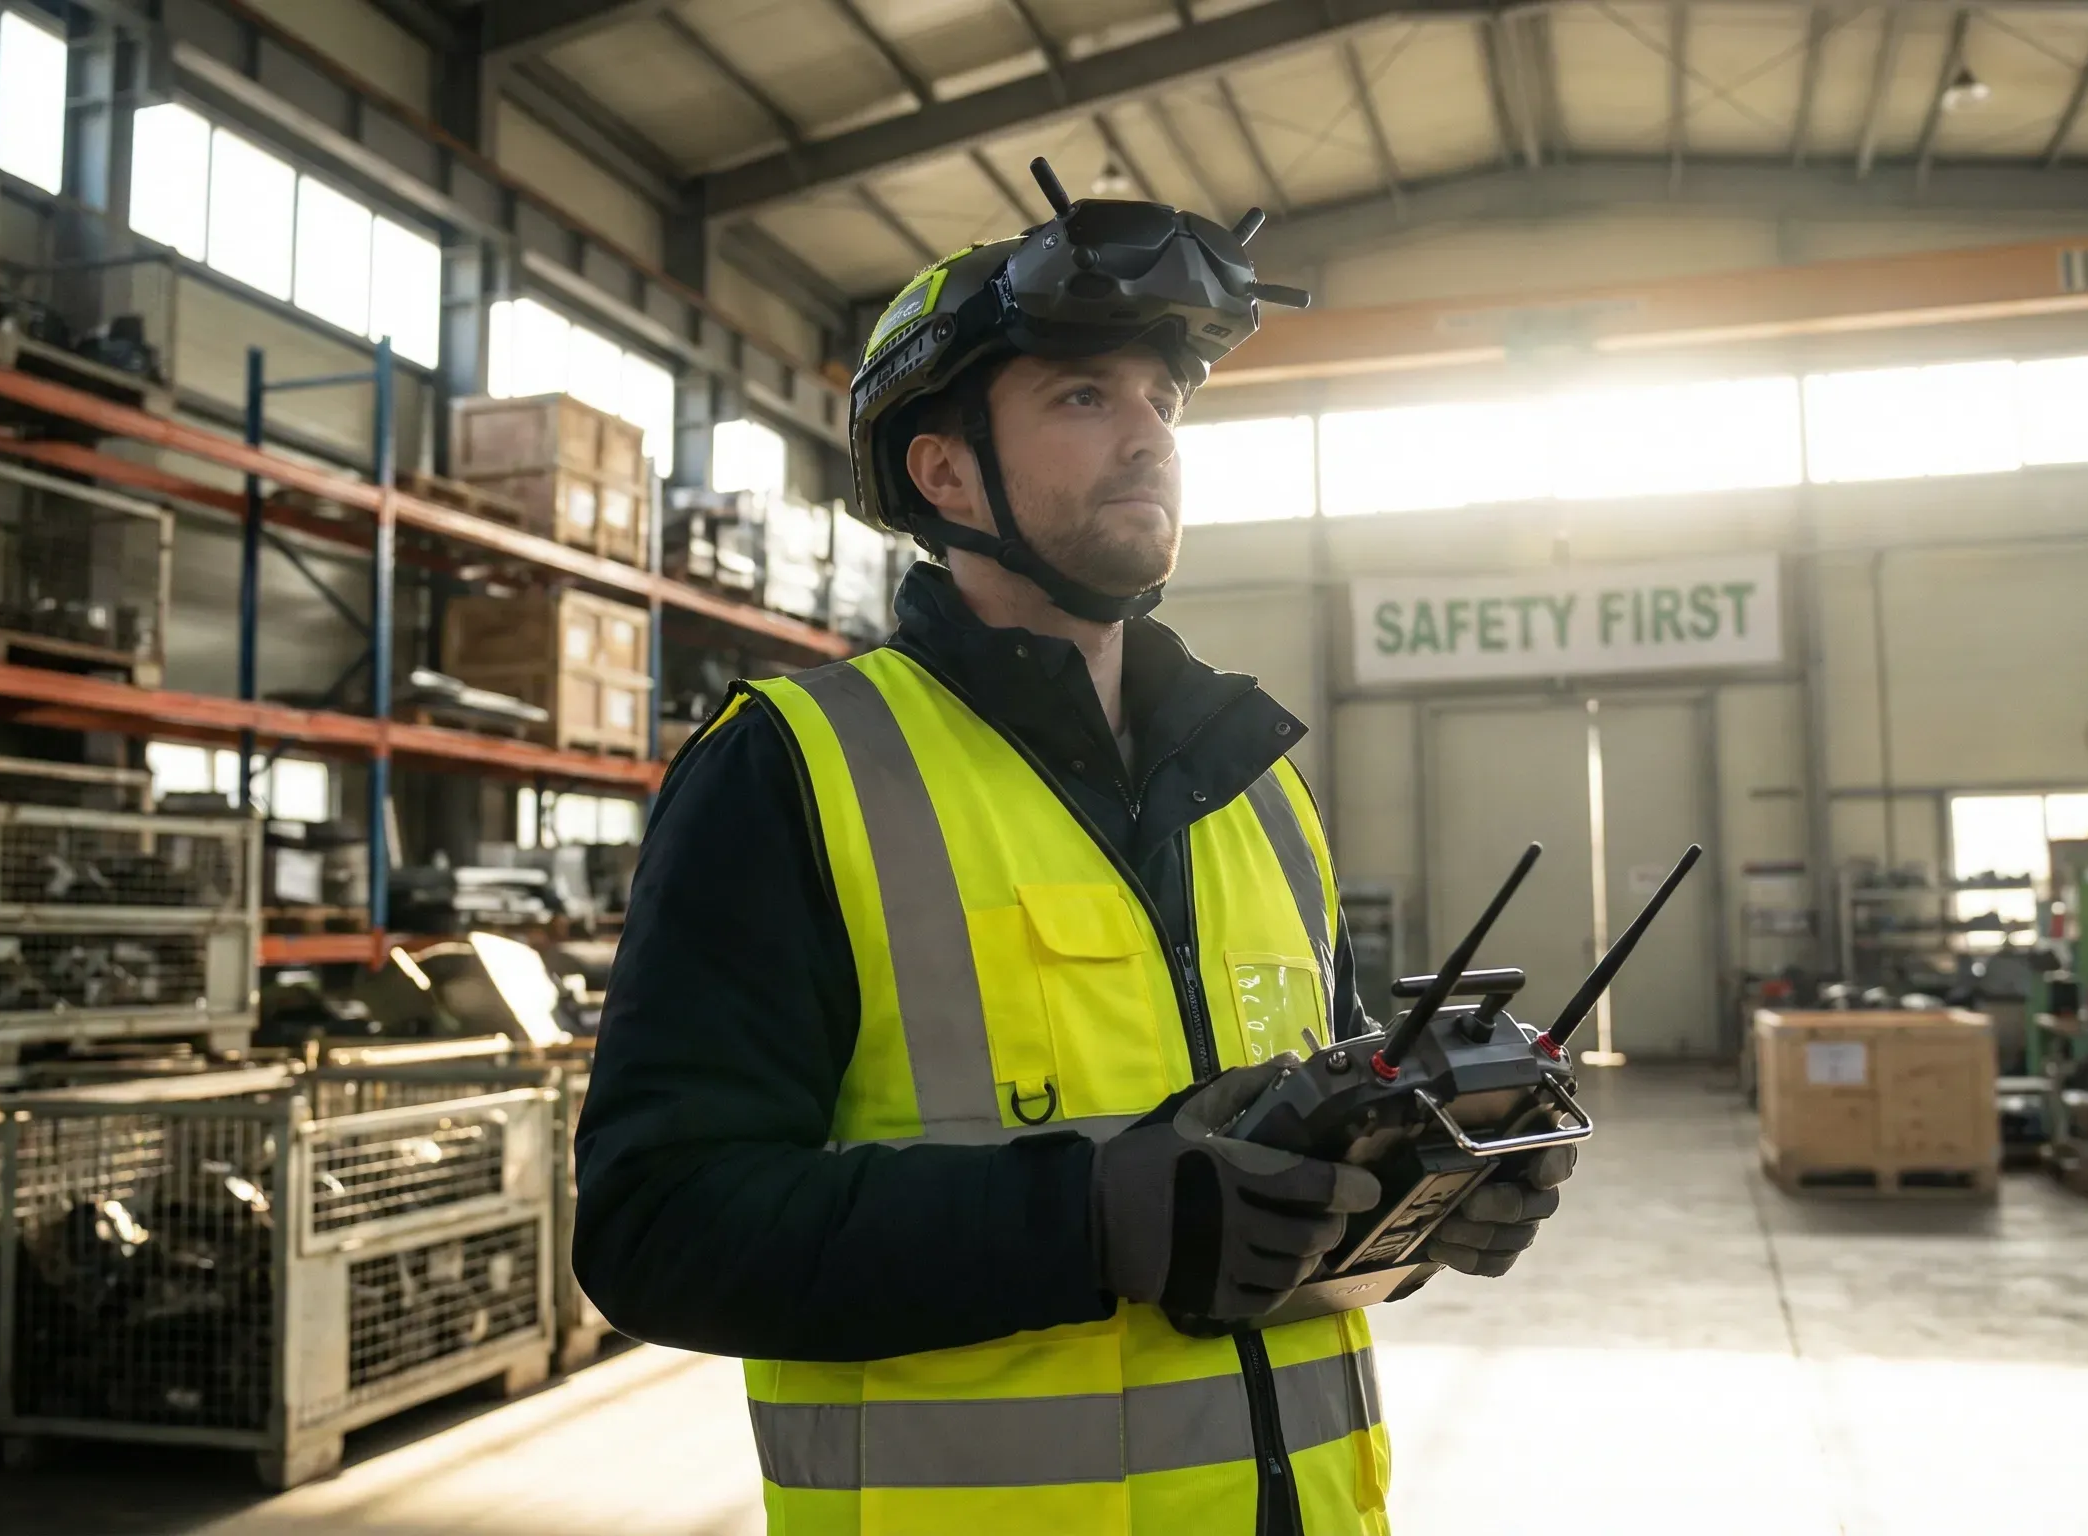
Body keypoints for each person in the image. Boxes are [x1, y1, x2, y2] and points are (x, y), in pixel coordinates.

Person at [574, 162, 1573, 1536]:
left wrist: (1420, 1197)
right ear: (944, 470)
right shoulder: (793, 767)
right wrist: (1088, 1222)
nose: (1151, 434)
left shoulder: (1259, 788)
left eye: (1163, 400)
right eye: (1083, 395)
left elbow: (1290, 1171)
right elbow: (658, 1229)